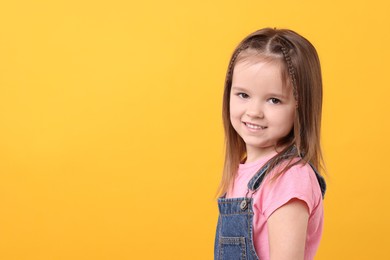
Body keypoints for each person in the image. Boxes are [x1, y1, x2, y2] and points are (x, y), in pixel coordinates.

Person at [214, 28, 327, 260]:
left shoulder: (289, 178)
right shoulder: (243, 170)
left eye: (274, 100)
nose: (254, 112)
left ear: (300, 106)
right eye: (243, 95)